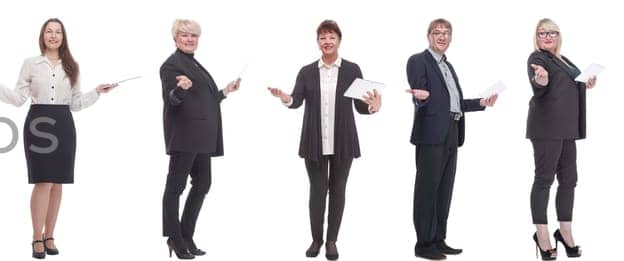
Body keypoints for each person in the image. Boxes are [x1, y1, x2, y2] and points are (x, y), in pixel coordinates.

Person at [0, 18, 115, 259]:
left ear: (63, 37)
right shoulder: (31, 64)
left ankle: (50, 235)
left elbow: (76, 104)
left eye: (58, 32)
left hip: (63, 124)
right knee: (43, 181)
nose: (53, 35)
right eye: (49, 31)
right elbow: (18, 99)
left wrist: (97, 93)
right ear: (42, 36)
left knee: (58, 183)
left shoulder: (72, 66)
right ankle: (36, 236)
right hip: (38, 124)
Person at [265, 20, 380, 261]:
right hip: (314, 141)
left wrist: (373, 107)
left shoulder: (352, 69)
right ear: (317, 42)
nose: (327, 42)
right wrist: (285, 97)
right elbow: (296, 100)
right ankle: (316, 239)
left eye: (331, 37)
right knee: (317, 191)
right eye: (322, 38)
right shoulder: (307, 71)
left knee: (338, 191)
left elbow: (361, 106)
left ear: (339, 40)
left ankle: (331, 241)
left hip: (343, 141)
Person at [405, 18, 498, 261]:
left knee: (444, 190)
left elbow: (453, 102)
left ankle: (438, 239)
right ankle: (424, 244)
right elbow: (419, 93)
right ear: (429, 36)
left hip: (452, 132)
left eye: (446, 33)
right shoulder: (418, 60)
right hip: (431, 134)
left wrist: (481, 102)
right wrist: (421, 98)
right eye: (437, 32)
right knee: (427, 190)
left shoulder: (448, 65)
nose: (442, 37)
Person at [158, 19, 240, 260]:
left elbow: (205, 99)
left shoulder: (195, 64)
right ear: (175, 38)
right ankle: (174, 237)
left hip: (203, 137)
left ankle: (186, 235)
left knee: (203, 184)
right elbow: (171, 98)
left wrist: (225, 91)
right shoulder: (171, 66)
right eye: (184, 35)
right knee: (175, 187)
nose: (190, 39)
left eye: (194, 35)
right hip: (184, 135)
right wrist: (180, 89)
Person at [525, 18, 590, 261]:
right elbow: (539, 84)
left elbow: (572, 82)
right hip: (546, 128)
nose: (548, 37)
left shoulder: (563, 59)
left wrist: (586, 82)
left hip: (567, 128)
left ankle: (564, 231)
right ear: (537, 37)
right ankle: (542, 235)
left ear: (559, 35)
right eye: (543, 33)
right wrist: (540, 79)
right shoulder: (537, 59)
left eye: (552, 32)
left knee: (569, 180)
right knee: (544, 179)